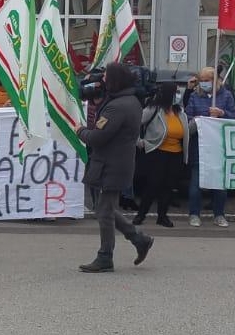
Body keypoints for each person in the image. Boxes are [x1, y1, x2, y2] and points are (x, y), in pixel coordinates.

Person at [75, 62, 154, 273]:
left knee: (104, 211)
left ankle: (105, 256)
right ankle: (138, 239)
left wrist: (79, 130)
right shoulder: (129, 101)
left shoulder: (118, 106)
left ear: (115, 81)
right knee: (105, 209)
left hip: (111, 165)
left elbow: (98, 137)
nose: (102, 81)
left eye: (106, 77)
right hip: (116, 163)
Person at [184, 66, 235, 227]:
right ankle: (194, 214)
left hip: (219, 148)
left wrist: (222, 114)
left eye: (206, 80)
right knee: (195, 184)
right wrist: (197, 120)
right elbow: (187, 117)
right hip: (199, 147)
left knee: (219, 184)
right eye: (201, 81)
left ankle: (219, 214)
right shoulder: (195, 96)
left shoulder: (226, 96)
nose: (203, 84)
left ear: (215, 81)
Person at [133, 82, 189, 228]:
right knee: (153, 185)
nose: (178, 95)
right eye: (176, 92)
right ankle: (141, 214)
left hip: (176, 154)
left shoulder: (180, 112)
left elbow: (187, 131)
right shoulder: (154, 109)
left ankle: (162, 216)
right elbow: (134, 124)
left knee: (169, 186)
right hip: (157, 153)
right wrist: (140, 142)